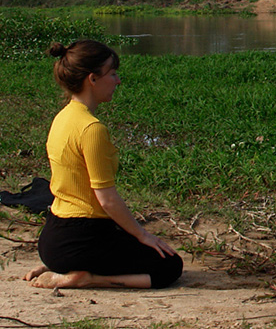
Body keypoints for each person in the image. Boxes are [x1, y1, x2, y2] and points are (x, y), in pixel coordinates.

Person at [24, 39, 183, 289]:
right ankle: (87, 277)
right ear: (92, 79)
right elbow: (106, 199)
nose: (118, 81)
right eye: (113, 73)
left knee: (136, 246)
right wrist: (143, 234)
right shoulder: (91, 129)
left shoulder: (63, 117)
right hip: (82, 238)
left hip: (53, 239)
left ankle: (64, 265)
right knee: (170, 266)